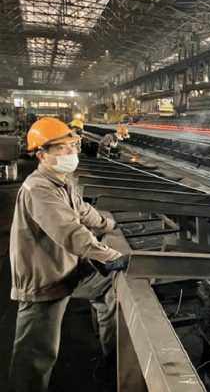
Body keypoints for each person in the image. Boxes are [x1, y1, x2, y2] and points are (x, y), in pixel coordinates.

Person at [8, 117, 129, 392]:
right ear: (42, 155)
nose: (70, 152)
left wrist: (110, 225)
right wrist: (109, 255)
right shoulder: (38, 188)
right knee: (37, 355)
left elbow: (83, 211)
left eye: (72, 145)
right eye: (61, 148)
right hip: (43, 280)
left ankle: (112, 362)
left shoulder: (60, 182)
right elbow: (70, 232)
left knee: (107, 287)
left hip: (66, 268)